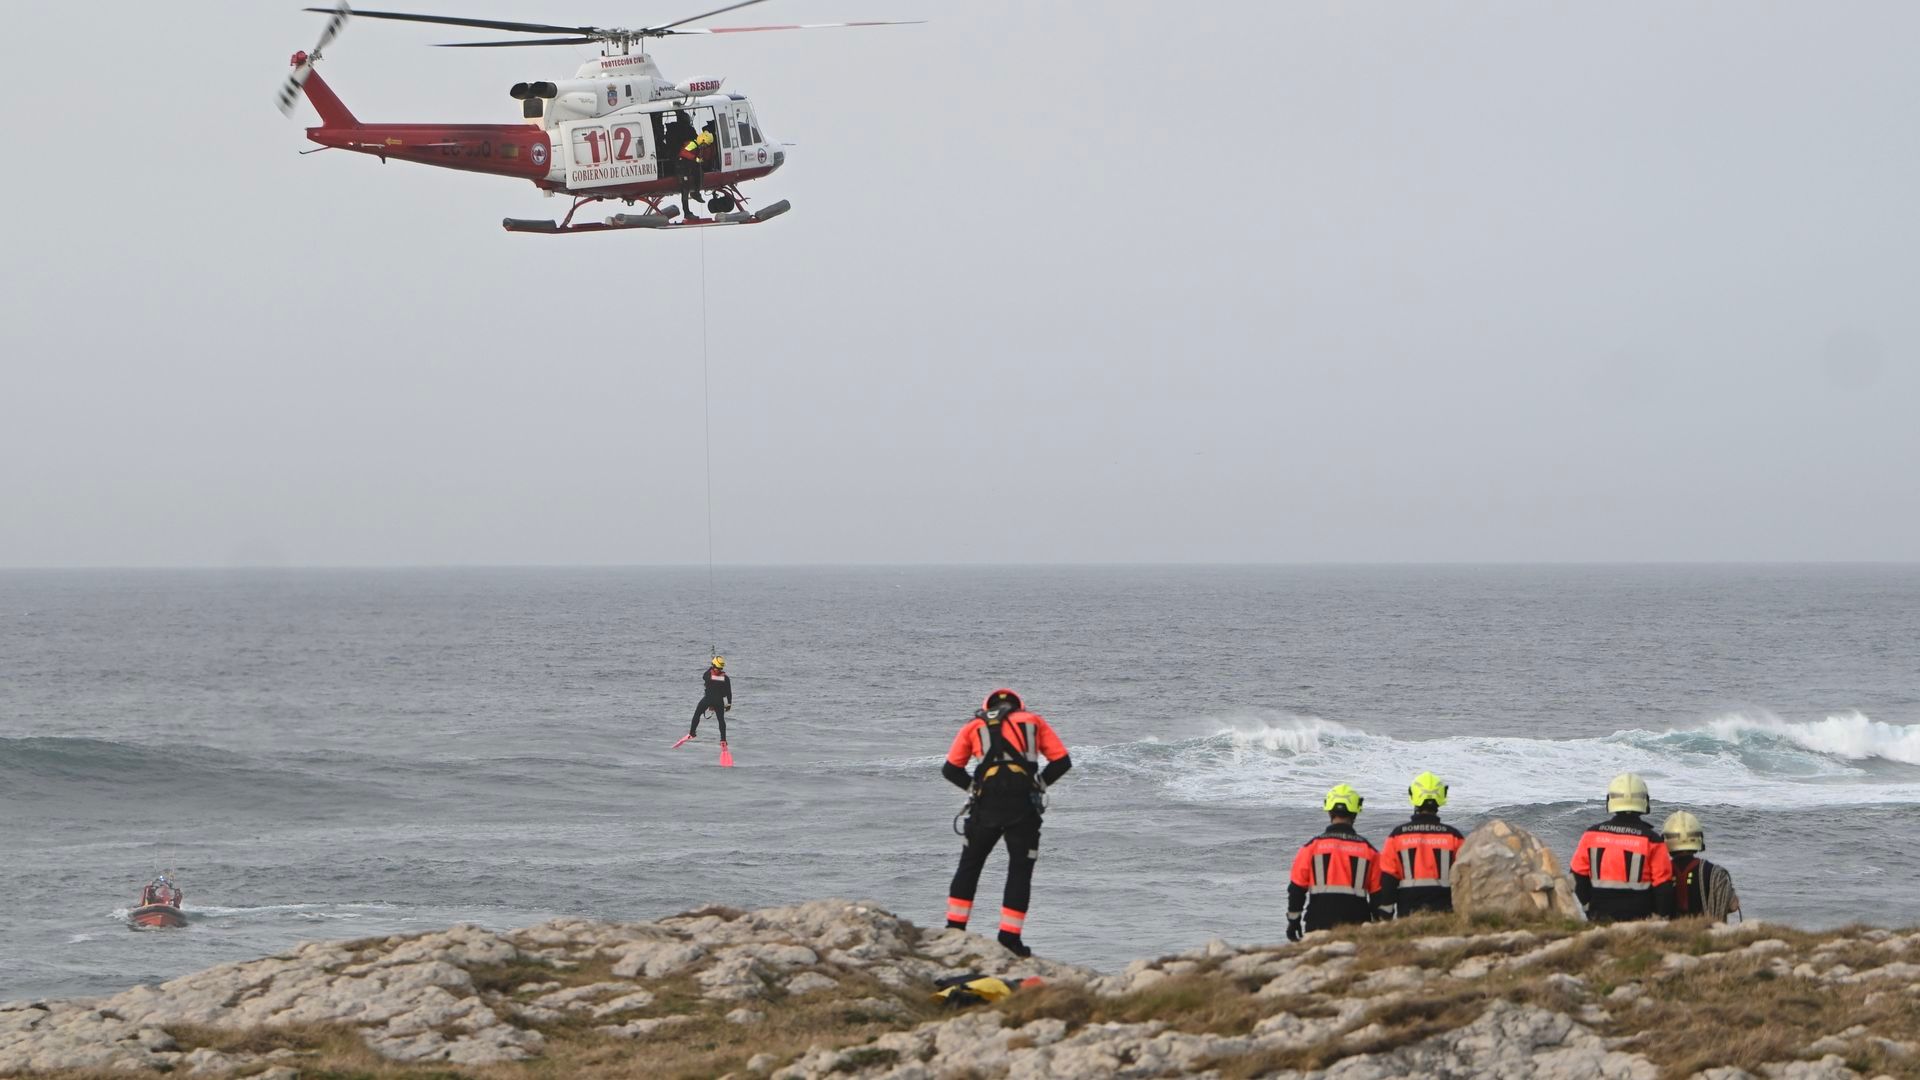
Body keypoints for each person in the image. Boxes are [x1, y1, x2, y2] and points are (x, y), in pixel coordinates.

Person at [942, 689, 1072, 958]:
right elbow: (1062, 762)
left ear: (987, 707)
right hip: (1023, 807)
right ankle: (1009, 939)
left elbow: (950, 769)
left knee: (970, 865)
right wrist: (1039, 784)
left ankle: (954, 930)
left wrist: (973, 788)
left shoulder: (973, 726)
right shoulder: (1034, 721)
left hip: (985, 806)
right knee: (1019, 871)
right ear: (1019, 706)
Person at [1569, 773, 1674, 923]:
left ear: (1610, 801)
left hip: (1599, 916)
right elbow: (1663, 887)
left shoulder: (1591, 835)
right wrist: (1661, 917)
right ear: (1645, 801)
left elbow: (1576, 877)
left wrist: (1587, 906)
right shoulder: (1652, 840)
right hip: (1640, 920)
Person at [1287, 784, 1387, 941]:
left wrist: (1293, 921)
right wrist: (1380, 926)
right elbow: (1379, 896)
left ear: (1329, 811)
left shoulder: (1311, 848)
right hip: (1357, 927)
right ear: (1355, 812)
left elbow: (1296, 890)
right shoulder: (1370, 851)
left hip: (1317, 925)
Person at [1376, 771, 1467, 916]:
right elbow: (1464, 875)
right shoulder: (1453, 836)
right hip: (1445, 909)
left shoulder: (1397, 836)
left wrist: (1385, 910)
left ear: (1413, 796)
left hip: (1408, 910)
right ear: (1442, 797)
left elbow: (1388, 877)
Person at [1662, 810, 1741, 923]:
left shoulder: (1660, 872)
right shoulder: (1714, 873)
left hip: (1670, 935)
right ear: (1699, 838)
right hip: (1706, 934)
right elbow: (1733, 905)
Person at [687, 656, 731, 749]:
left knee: (697, 714)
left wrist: (711, 666)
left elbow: (704, 676)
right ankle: (723, 740)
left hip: (708, 700)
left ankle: (692, 733)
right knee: (721, 720)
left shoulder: (708, 675)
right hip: (719, 702)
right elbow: (729, 692)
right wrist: (729, 704)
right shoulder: (726, 678)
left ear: (714, 665)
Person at [677, 124, 714, 215]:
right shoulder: (692, 144)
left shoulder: (698, 147)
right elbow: (683, 152)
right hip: (681, 166)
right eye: (705, 144)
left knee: (699, 173)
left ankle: (696, 193)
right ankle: (686, 212)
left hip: (689, 166)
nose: (705, 147)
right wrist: (695, 158)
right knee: (685, 188)